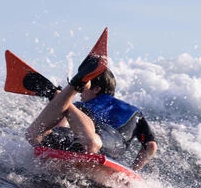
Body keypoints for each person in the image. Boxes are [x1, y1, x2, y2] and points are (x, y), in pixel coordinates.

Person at [25, 52, 158, 172]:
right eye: (82, 89)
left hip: (87, 136)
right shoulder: (135, 112)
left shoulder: (80, 106)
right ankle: (64, 93)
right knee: (91, 145)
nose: (81, 94)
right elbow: (151, 146)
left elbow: (58, 127)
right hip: (100, 141)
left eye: (84, 89)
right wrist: (133, 170)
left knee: (34, 136)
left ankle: (59, 94)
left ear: (96, 89)